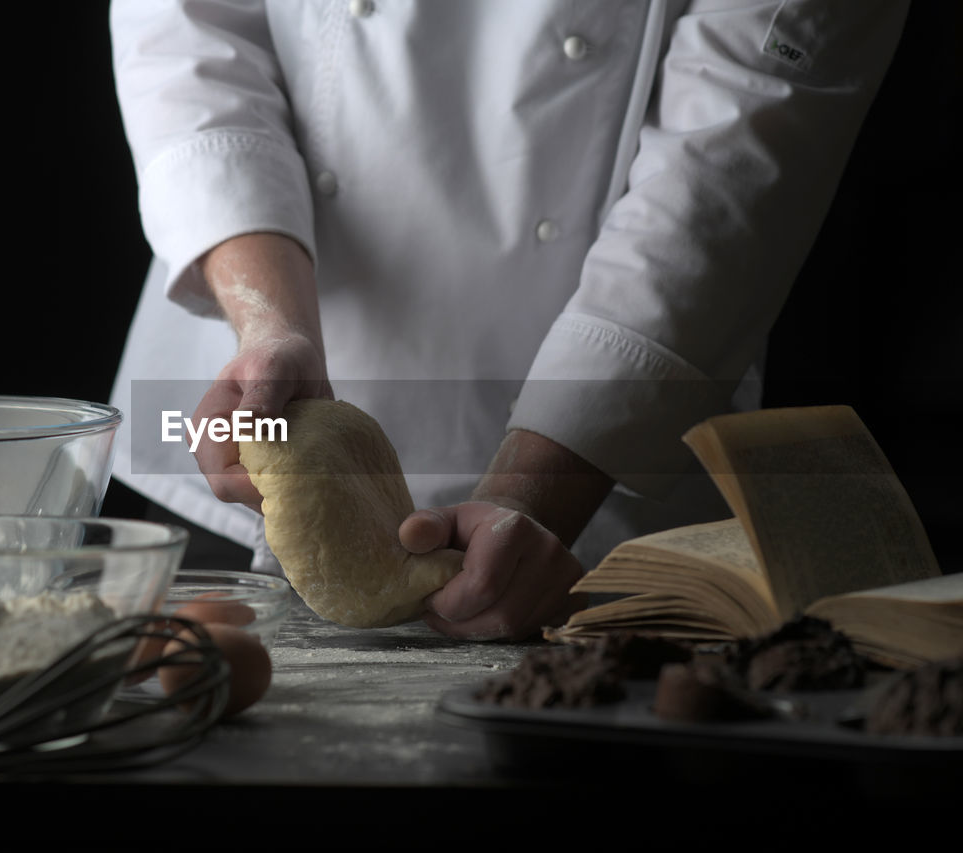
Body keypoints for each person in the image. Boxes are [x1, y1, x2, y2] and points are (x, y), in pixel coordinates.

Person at [106, 0, 908, 641]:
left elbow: (731, 164)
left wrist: (539, 488)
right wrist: (269, 321)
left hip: (597, 480)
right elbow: (186, 35)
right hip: (228, 452)